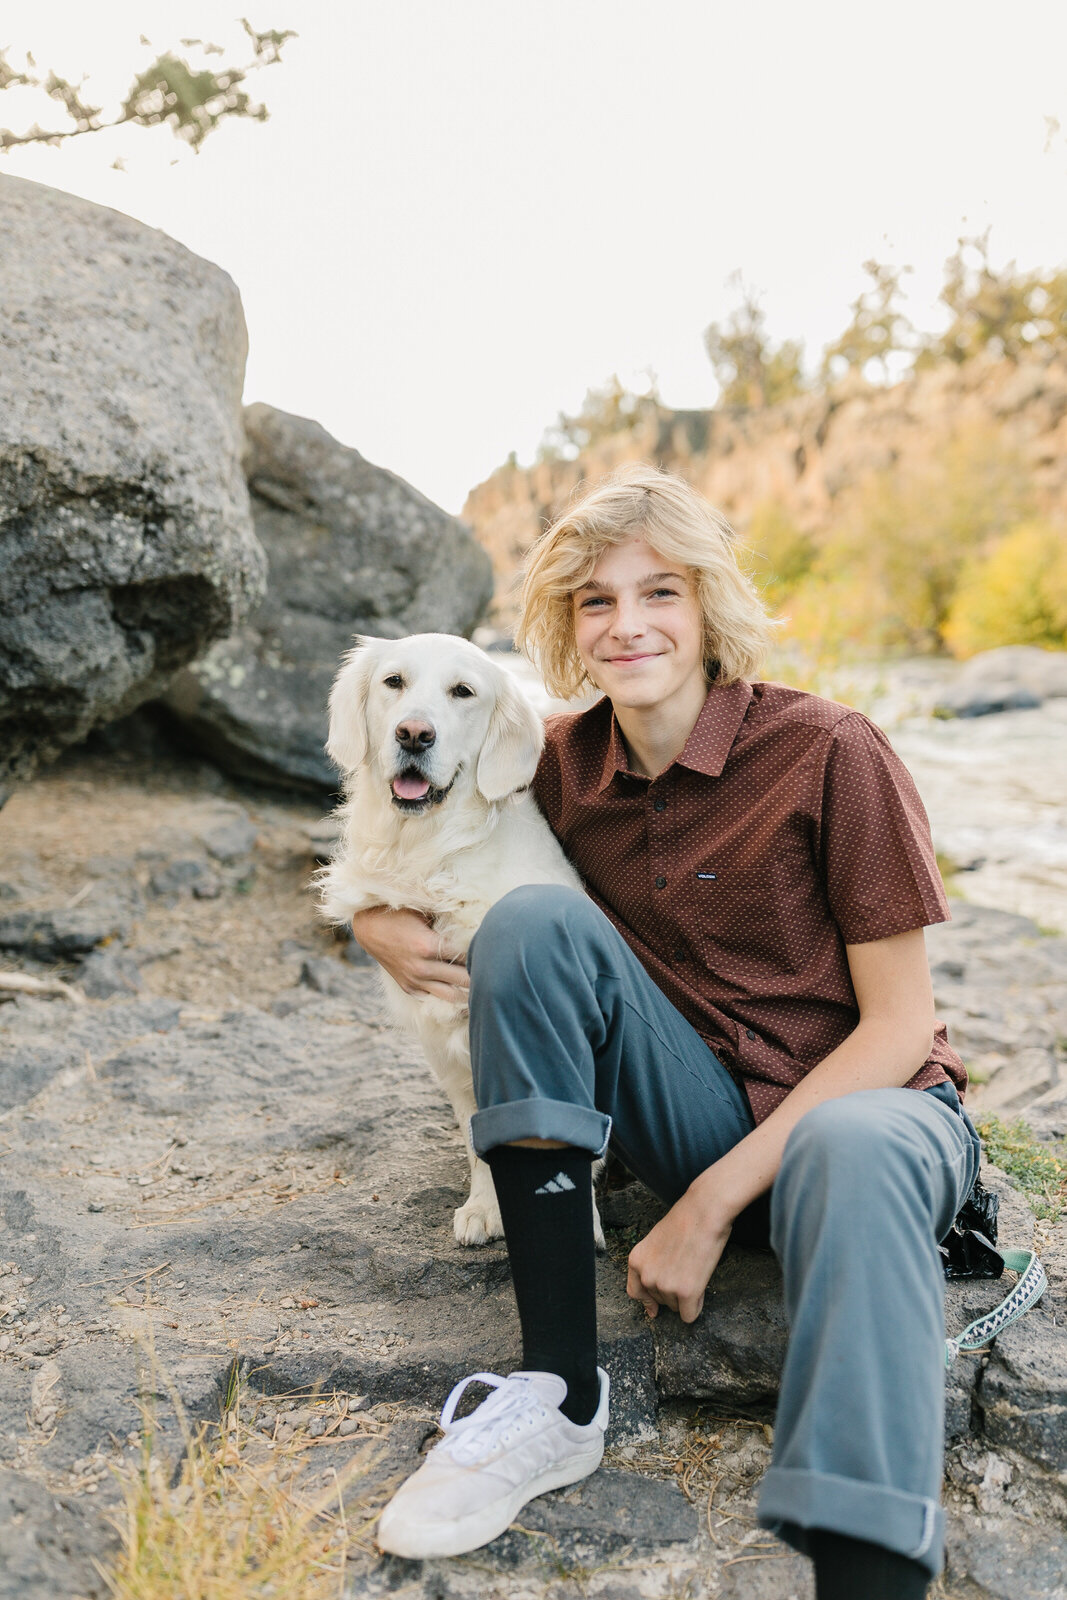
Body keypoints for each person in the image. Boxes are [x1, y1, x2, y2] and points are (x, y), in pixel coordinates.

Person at [353, 465, 979, 1598]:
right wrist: (372, 919)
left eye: (660, 592)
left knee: (846, 1145)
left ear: (708, 609)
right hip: (687, 1103)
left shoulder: (829, 749)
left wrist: (705, 1204)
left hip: (872, 1122)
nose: (627, 623)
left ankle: (867, 1572)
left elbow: (896, 1029)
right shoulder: (550, 765)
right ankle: (558, 1395)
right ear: (565, 625)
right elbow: (410, 819)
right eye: (595, 600)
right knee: (531, 921)